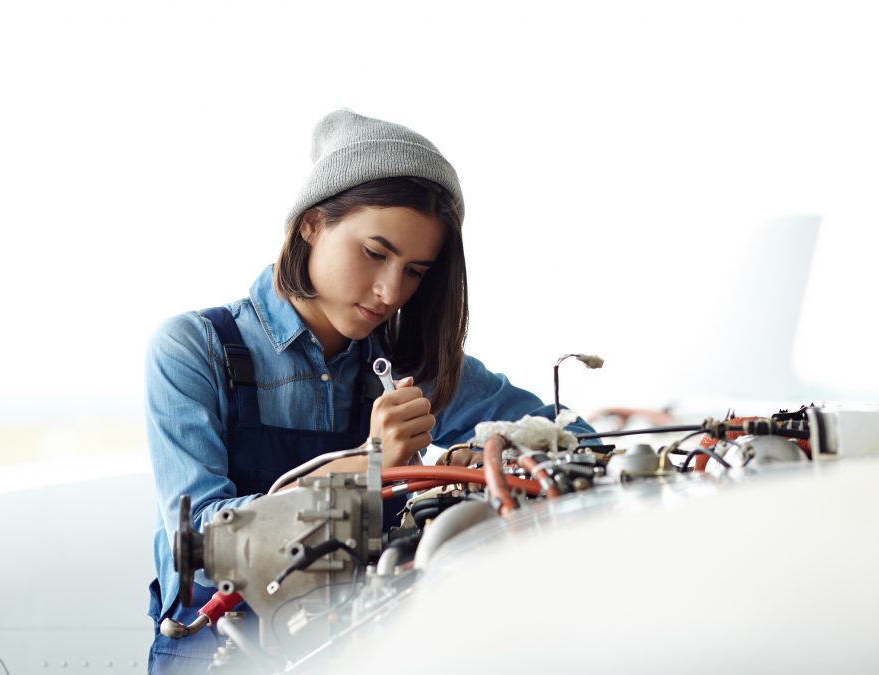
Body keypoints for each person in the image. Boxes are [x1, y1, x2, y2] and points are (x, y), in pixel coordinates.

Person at [143, 109, 595, 673]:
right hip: (216, 650)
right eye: (375, 253)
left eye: (415, 271)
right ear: (310, 224)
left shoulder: (411, 367)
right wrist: (370, 465)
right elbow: (207, 545)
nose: (389, 291)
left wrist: (481, 455)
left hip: (357, 650)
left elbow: (575, 437)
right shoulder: (195, 348)